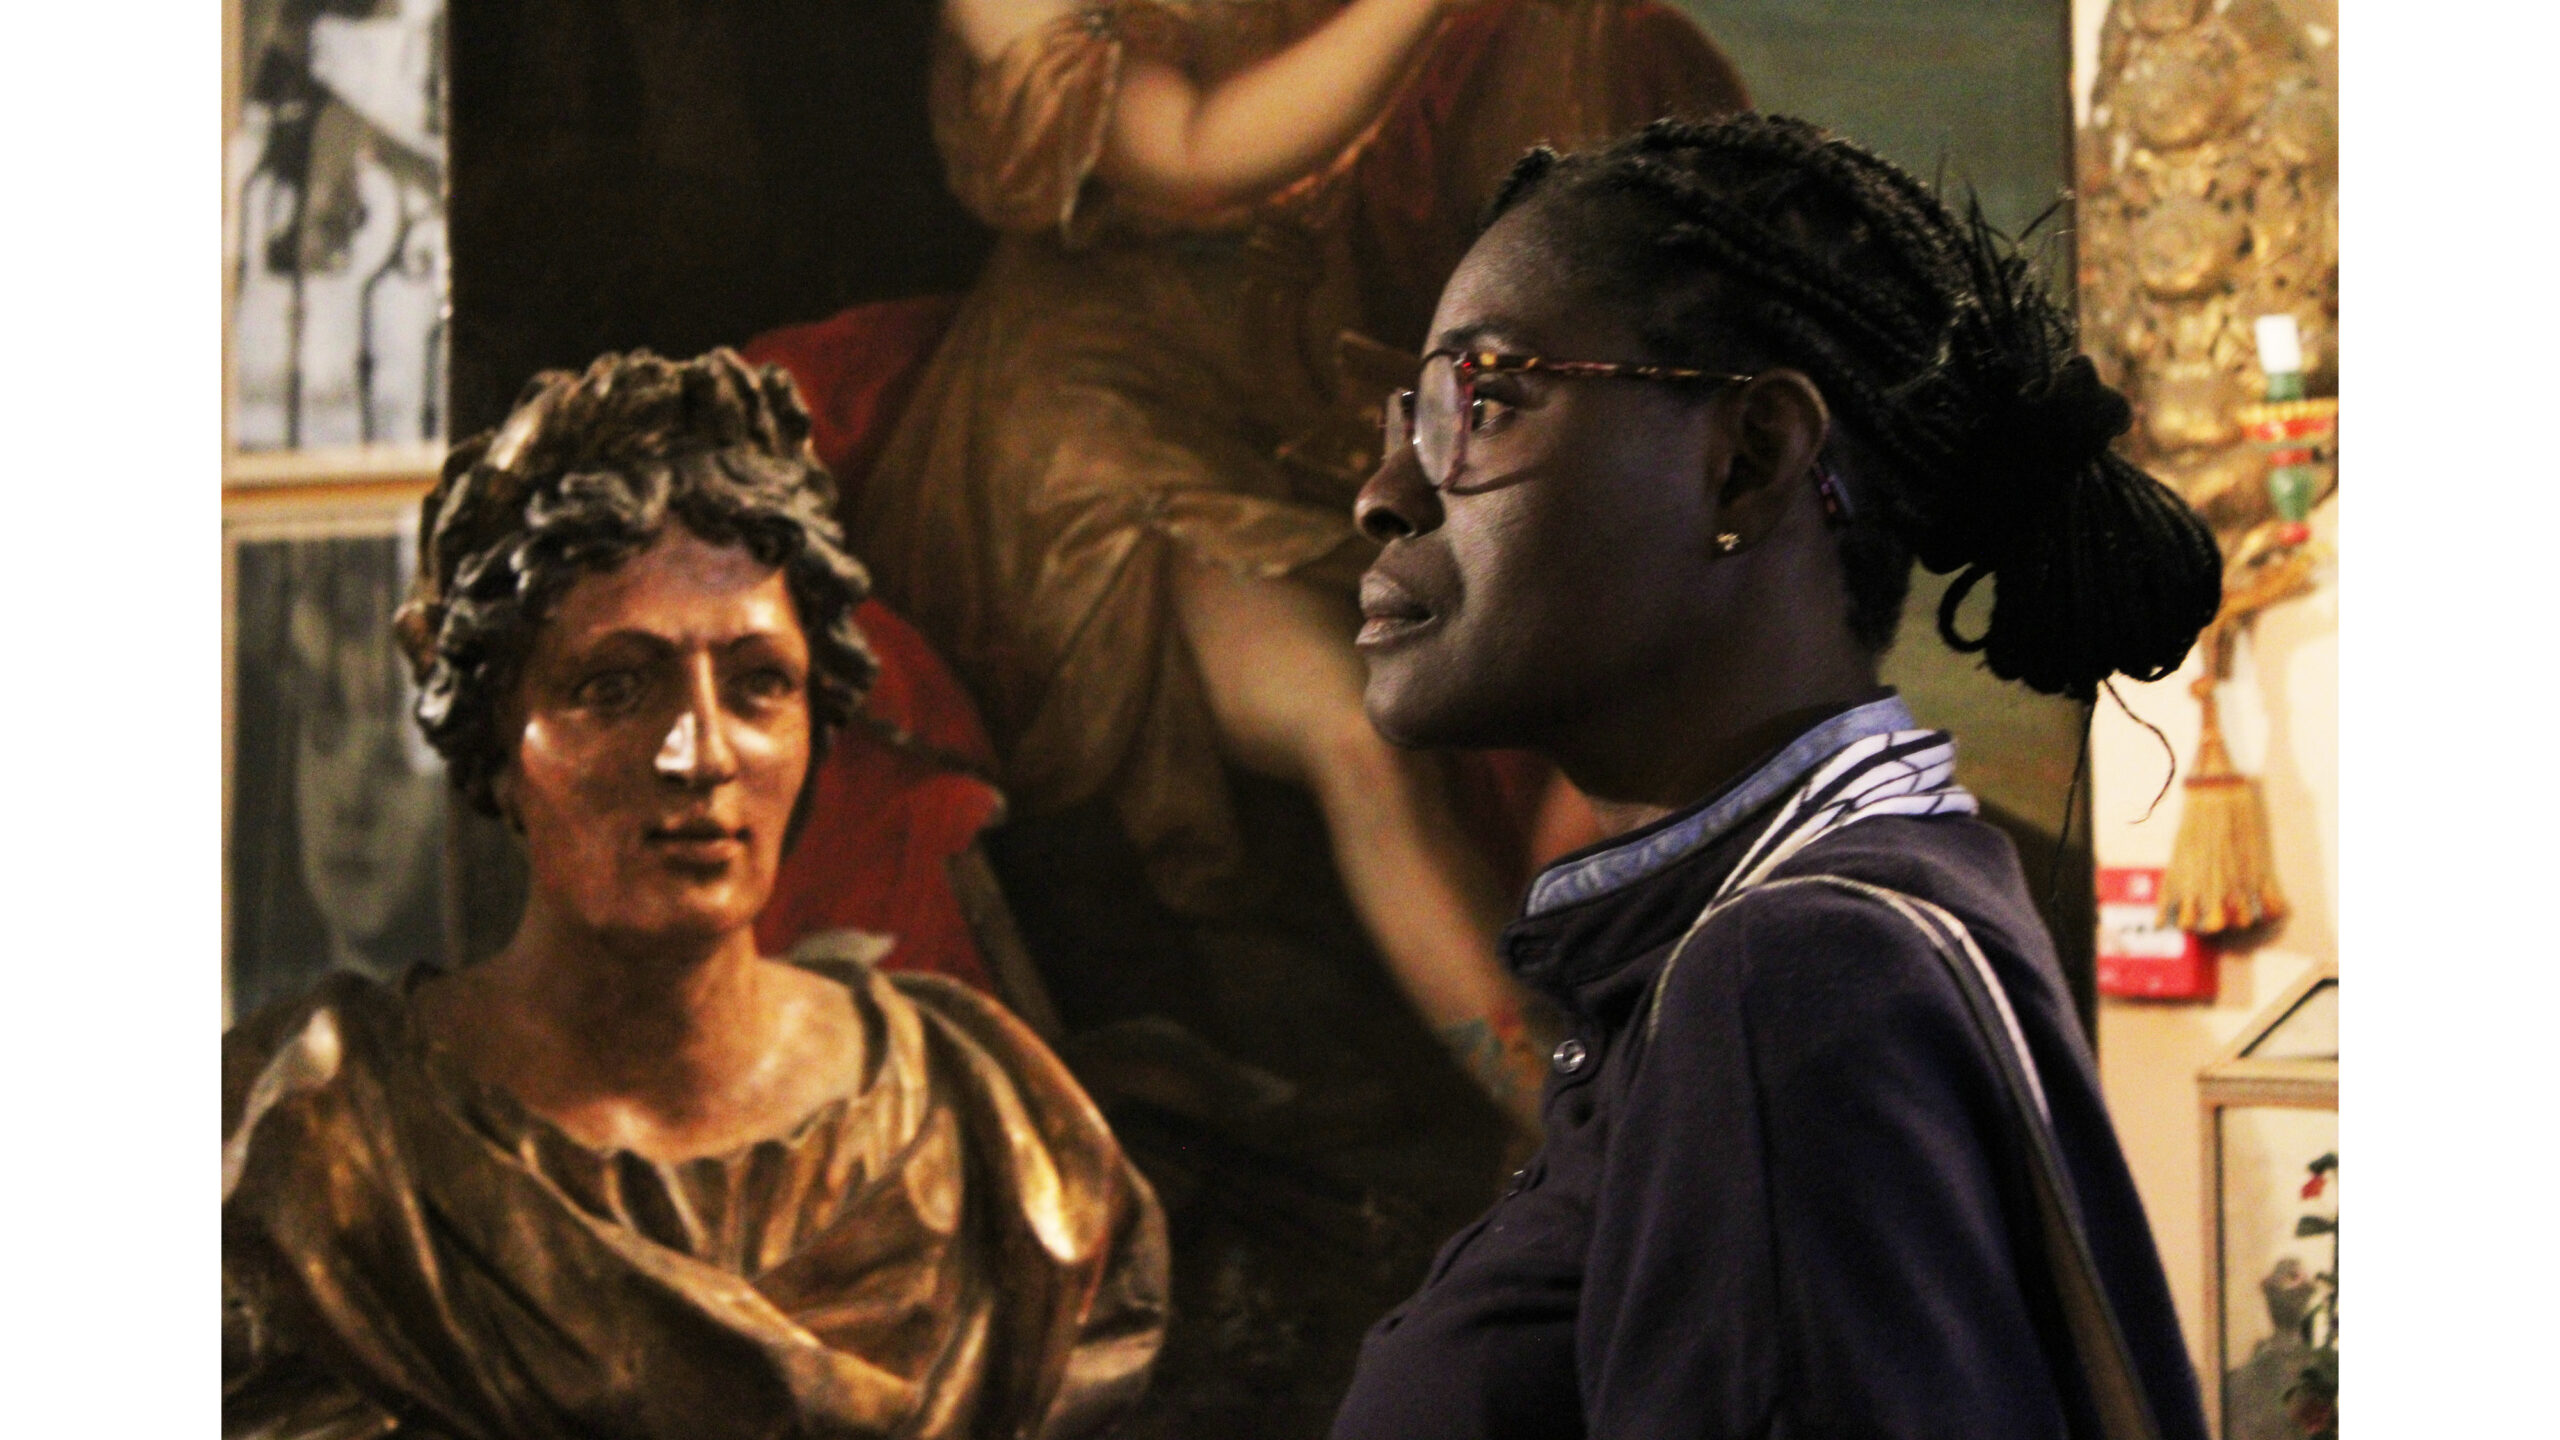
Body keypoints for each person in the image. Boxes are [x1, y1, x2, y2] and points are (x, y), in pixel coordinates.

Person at [1327, 116, 2223, 1439]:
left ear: (1745, 459)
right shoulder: (1829, 927)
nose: (1385, 492)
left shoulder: (1789, 980)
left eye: (1486, 400)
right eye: (1410, 415)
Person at [222, 349, 1168, 1440]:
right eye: (613, 687)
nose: (700, 754)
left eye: (760, 685)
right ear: (494, 734)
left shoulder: (998, 1130)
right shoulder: (310, 1141)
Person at [858, 0, 1749, 1125]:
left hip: (1297, 416)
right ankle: (1560, 1124)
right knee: (1353, 731)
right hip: (1090, 447)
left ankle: (1627, 1088)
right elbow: (1188, 159)